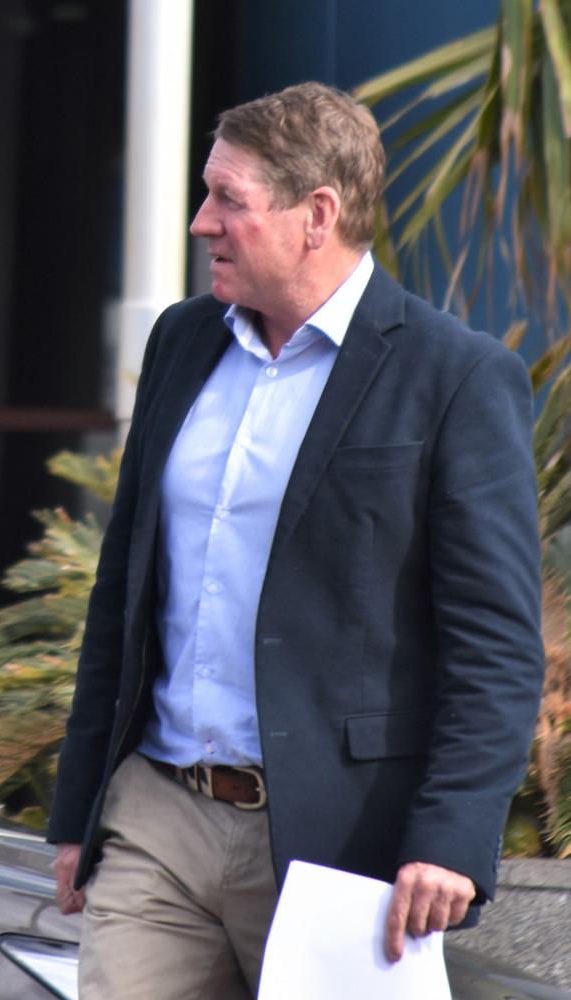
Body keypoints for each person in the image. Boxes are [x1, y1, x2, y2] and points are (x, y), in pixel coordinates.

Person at [48, 81, 544, 999]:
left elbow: (496, 645)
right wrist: (79, 808)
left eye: (228, 200)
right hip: (159, 816)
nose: (202, 223)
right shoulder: (183, 342)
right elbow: (123, 583)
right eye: (205, 194)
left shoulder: (456, 376)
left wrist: (452, 838)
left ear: (317, 215)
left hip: (340, 848)